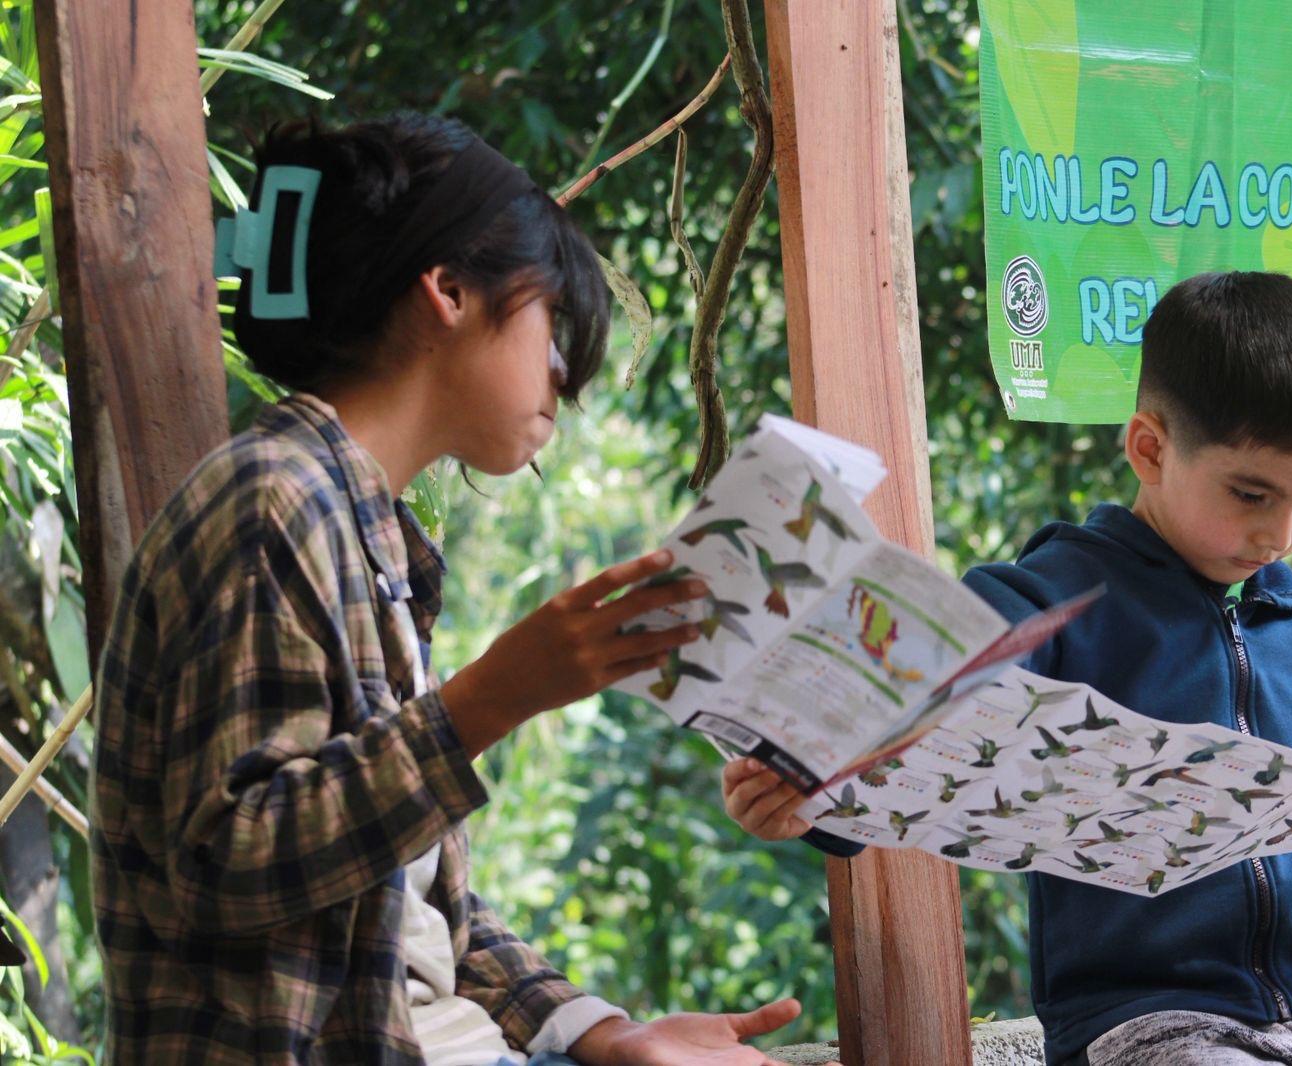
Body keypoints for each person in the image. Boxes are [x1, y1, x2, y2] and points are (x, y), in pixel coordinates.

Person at [91, 113, 831, 1065]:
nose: (562, 377)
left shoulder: (369, 534)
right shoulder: (273, 503)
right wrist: (490, 700)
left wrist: (607, 1033)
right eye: (551, 324)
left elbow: (410, 914)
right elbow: (222, 863)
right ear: (447, 291)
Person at [722, 271, 1292, 1066]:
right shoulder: (1049, 601)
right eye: (1251, 494)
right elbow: (908, 732)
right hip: (1149, 1021)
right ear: (1149, 448)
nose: (1281, 534)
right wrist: (810, 796)